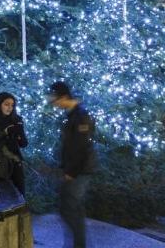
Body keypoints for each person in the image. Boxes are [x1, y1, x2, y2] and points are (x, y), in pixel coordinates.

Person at [49, 81, 96, 248]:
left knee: (69, 208)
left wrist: (71, 172)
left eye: (54, 100)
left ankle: (79, 246)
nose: (53, 104)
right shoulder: (73, 114)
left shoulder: (81, 115)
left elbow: (81, 147)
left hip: (79, 171)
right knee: (73, 209)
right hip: (76, 170)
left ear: (64, 97)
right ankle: (77, 244)